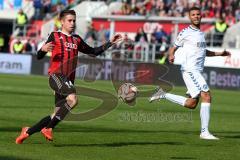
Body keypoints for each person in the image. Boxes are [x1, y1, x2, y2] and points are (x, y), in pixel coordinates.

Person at [15, 10, 122, 144]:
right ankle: (48, 128)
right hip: (56, 76)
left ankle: (28, 131)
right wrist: (42, 50)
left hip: (67, 80)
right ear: (62, 22)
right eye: (69, 20)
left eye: (74, 21)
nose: (72, 23)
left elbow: (93, 52)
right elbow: (38, 56)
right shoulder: (55, 36)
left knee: (56, 114)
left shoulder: (76, 39)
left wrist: (110, 43)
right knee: (73, 99)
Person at [149, 6, 231, 140]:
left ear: (201, 16)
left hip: (195, 70)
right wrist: (171, 55)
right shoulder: (185, 32)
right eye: (193, 15)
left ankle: (163, 95)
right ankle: (204, 132)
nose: (196, 16)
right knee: (207, 95)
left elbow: (204, 52)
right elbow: (173, 47)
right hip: (190, 69)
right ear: (189, 17)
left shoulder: (201, 33)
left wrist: (220, 54)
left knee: (192, 104)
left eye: (198, 14)